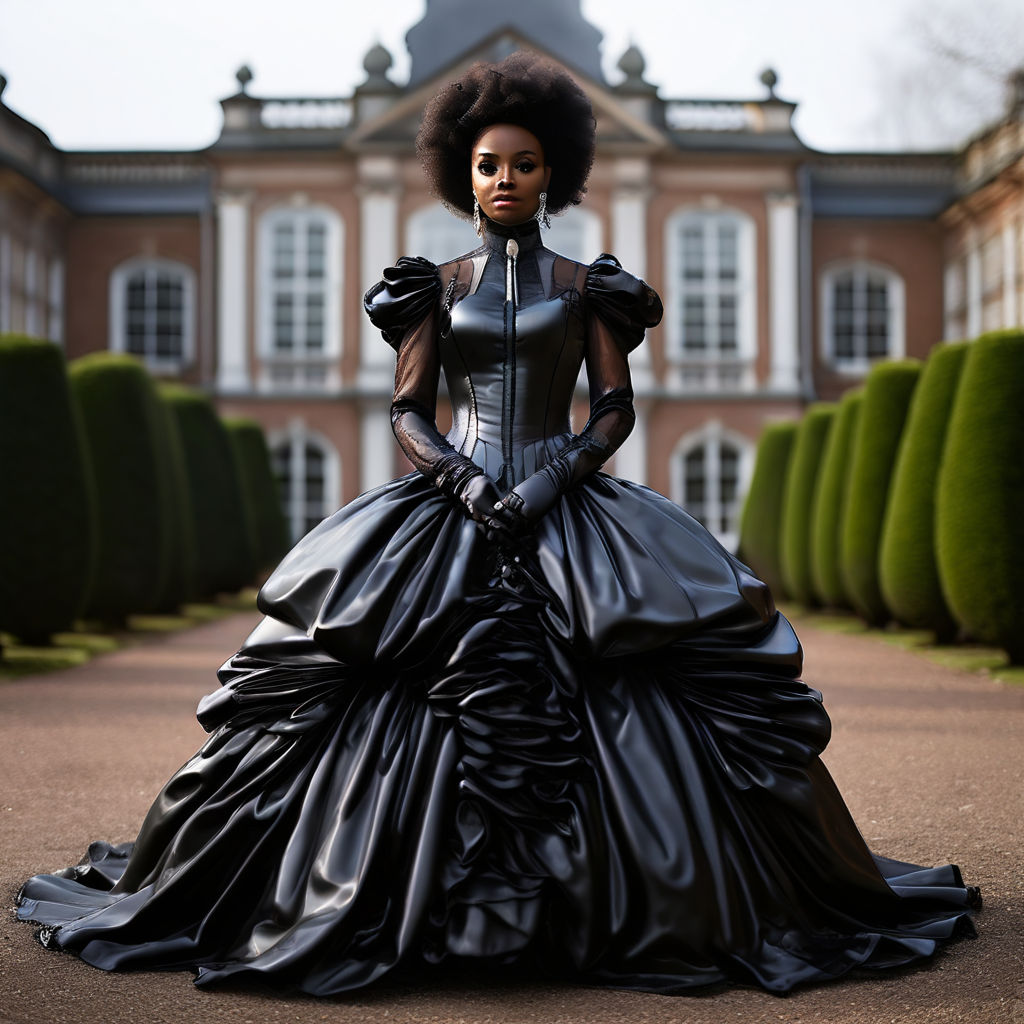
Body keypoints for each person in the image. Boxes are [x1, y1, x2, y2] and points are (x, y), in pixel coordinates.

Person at [16, 52, 979, 996]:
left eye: (523, 162)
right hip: (454, 502)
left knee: (644, 675)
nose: (505, 179)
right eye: (488, 164)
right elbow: (406, 408)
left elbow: (612, 409)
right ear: (462, 175)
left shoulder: (585, 286)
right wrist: (465, 483)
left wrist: (557, 474)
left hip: (565, 505)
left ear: (551, 170)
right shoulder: (429, 286)